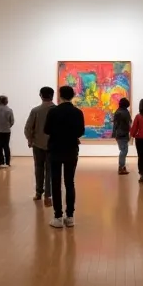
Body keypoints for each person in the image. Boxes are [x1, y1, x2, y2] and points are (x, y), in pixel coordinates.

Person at [44, 85, 85, 228]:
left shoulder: (53, 112)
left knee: (55, 183)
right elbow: (80, 132)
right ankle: (70, 216)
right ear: (73, 96)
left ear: (60, 95)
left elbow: (46, 130)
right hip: (71, 150)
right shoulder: (78, 112)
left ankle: (58, 217)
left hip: (55, 149)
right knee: (69, 182)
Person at [24, 86, 56, 207]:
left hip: (38, 144)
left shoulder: (35, 110)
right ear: (52, 96)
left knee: (39, 168)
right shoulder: (57, 110)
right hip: (53, 145)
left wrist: (30, 139)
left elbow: (28, 128)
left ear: (41, 96)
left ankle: (38, 193)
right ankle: (48, 196)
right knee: (50, 170)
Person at [0, 95, 15, 168]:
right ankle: (7, 163)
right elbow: (12, 121)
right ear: (6, 101)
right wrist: (8, 126)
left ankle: (0, 162)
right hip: (6, 131)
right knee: (6, 146)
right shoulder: (9, 110)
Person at [112, 98, 132, 175]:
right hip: (122, 134)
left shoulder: (118, 111)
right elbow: (128, 123)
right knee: (124, 151)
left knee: (123, 150)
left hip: (119, 134)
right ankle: (121, 167)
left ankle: (122, 167)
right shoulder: (124, 112)